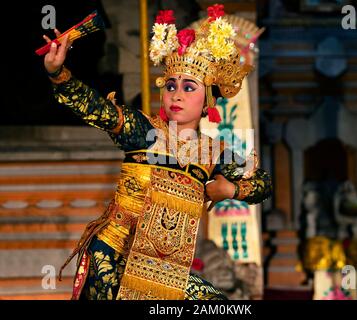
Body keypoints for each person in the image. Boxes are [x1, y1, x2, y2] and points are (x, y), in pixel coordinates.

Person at [42, 4, 272, 300]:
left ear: (208, 101)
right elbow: (95, 108)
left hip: (165, 268)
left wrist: (231, 188)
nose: (176, 94)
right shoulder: (143, 131)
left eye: (189, 87)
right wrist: (58, 72)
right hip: (115, 256)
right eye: (171, 85)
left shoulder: (214, 153)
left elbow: (263, 184)